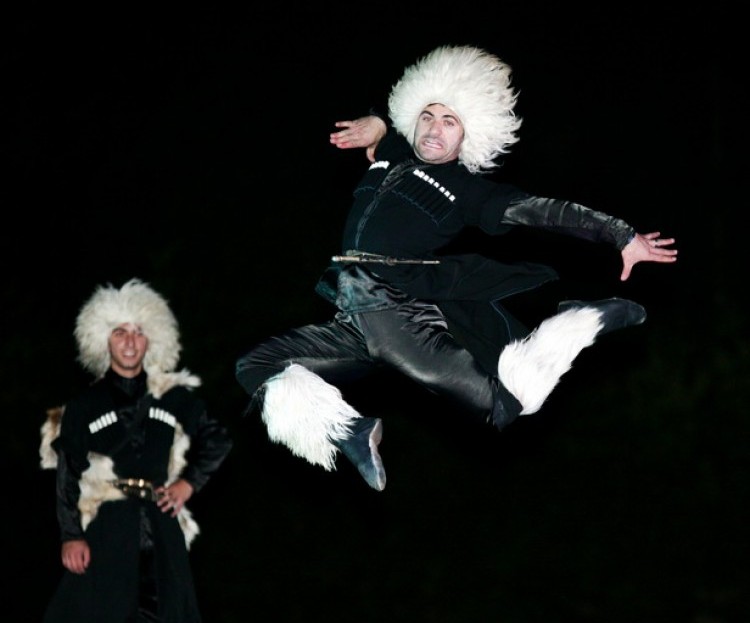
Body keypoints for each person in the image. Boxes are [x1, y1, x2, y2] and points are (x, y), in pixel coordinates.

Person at [235, 44, 677, 492]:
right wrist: (377, 123)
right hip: (353, 312)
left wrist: (620, 234)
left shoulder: (467, 191)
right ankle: (349, 432)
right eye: (428, 116)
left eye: (450, 122)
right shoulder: (395, 149)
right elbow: (386, 122)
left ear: (469, 135)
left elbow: (544, 211)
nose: (434, 130)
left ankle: (582, 320)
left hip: (394, 310)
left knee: (506, 406)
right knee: (256, 366)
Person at [37, 279, 236, 623]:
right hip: (105, 524)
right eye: (119, 332)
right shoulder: (84, 406)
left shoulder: (173, 397)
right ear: (102, 340)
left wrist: (188, 483)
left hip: (160, 523)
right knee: (80, 621)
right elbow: (66, 474)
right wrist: (71, 534)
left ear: (153, 339)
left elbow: (218, 439)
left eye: (139, 331)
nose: (130, 341)